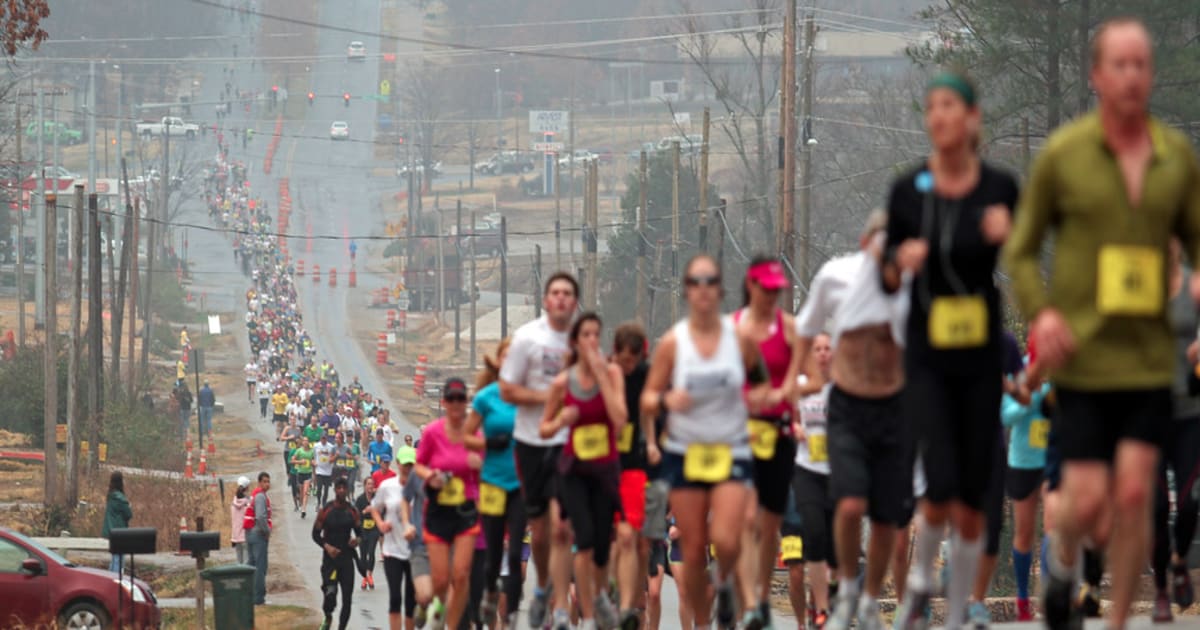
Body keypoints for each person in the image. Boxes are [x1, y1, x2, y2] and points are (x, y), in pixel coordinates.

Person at [1003, 18, 1200, 630]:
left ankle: (1114, 624)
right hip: (1085, 361)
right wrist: (1046, 312)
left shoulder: (1176, 159)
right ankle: (1063, 573)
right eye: (1119, 64)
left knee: (1138, 496)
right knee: (1087, 507)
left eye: (1141, 64)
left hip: (1147, 362)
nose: (1131, 75)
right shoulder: (1066, 156)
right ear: (1095, 76)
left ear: (1152, 75)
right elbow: (1020, 250)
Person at [885, 70, 1018, 630]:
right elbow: (888, 276)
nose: (940, 116)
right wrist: (901, 261)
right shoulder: (907, 190)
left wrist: (1009, 232)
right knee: (937, 482)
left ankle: (963, 606)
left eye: (950, 106)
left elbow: (1025, 247)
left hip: (981, 354)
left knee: (970, 495)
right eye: (932, 107)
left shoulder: (999, 188)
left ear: (972, 118)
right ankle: (919, 582)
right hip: (928, 354)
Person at [794, 210, 911, 630]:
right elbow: (805, 329)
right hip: (847, 405)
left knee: (884, 519)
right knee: (849, 503)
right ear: (866, 244)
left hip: (893, 408)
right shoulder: (835, 276)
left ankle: (867, 597)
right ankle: (845, 590)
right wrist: (791, 381)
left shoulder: (913, 287)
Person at [640, 254, 771, 629]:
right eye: (695, 282)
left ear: (720, 290)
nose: (703, 289)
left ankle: (725, 587)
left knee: (729, 538)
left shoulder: (741, 340)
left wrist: (755, 403)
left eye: (710, 281)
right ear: (686, 291)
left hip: (730, 449)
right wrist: (666, 400)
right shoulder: (673, 344)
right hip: (686, 455)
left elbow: (760, 385)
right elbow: (647, 400)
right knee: (692, 551)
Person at [499, 272, 579, 628]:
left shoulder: (581, 345)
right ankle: (545, 586)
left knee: (563, 526)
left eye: (568, 293)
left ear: (575, 302)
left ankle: (561, 606)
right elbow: (508, 390)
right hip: (531, 443)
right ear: (546, 300)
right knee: (543, 532)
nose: (561, 299)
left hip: (568, 446)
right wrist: (546, 397)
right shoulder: (527, 338)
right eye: (555, 293)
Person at [539, 313, 627, 630]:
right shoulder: (563, 382)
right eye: (585, 335)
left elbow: (620, 419)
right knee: (584, 537)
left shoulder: (613, 373)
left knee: (603, 546)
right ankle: (587, 616)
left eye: (596, 334)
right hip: (573, 469)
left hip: (604, 469)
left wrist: (603, 377)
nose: (591, 341)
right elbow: (545, 428)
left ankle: (601, 594)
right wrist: (562, 421)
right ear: (575, 342)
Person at [732, 256, 804, 630]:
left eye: (778, 290)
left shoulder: (789, 329)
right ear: (751, 287)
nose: (773, 296)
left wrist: (778, 396)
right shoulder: (732, 329)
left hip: (776, 434)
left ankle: (759, 598)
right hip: (739, 435)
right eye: (767, 289)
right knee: (746, 519)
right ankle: (747, 601)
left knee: (769, 524)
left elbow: (796, 382)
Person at [1152, 238, 1200, 622]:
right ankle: (1161, 590)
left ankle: (1180, 558)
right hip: (1147, 412)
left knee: (1189, 502)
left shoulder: (1193, 284)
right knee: (1154, 506)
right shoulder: (1134, 284)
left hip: (1189, 411)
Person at [415, 378, 484, 630]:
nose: (456, 404)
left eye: (461, 398)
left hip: (466, 508)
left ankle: (452, 626)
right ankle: (436, 608)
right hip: (438, 510)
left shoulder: (475, 433)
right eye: (451, 399)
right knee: (442, 579)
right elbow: (419, 464)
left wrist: (480, 465)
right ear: (444, 402)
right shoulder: (433, 431)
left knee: (461, 573)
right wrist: (429, 477)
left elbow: (487, 470)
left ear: (466, 402)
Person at [466, 338, 525, 629]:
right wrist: (487, 443)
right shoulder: (486, 397)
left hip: (520, 485)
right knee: (491, 551)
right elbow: (465, 437)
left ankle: (510, 612)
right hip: (491, 483)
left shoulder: (528, 396)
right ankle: (489, 594)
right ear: (499, 361)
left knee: (515, 552)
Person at [999, 342, 1050, 622]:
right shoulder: (1018, 370)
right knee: (1025, 533)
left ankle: (1051, 595)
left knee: (1053, 526)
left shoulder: (1062, 368)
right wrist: (1028, 395)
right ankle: (1022, 599)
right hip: (1023, 461)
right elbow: (1006, 415)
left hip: (1053, 458)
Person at [791, 333, 835, 627]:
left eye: (826, 348)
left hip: (837, 471)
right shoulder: (799, 386)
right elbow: (787, 416)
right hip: (806, 468)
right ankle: (821, 610)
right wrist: (795, 428)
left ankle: (828, 596)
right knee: (815, 534)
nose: (821, 353)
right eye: (816, 348)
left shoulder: (842, 386)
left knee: (836, 545)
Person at [610, 322, 652, 629]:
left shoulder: (649, 377)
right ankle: (619, 598)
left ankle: (633, 598)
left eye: (633, 359)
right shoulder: (606, 376)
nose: (628, 366)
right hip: (606, 467)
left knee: (640, 542)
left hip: (640, 466)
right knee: (616, 538)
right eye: (622, 358)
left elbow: (656, 417)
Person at [313, 477, 362, 630]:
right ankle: (328, 616)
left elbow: (360, 534)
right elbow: (315, 535)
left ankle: (342, 627)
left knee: (347, 599)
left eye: (344, 488)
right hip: (330, 561)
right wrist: (327, 546)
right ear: (334, 490)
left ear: (347, 490)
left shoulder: (352, 511)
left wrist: (357, 541)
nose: (341, 490)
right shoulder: (325, 510)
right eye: (338, 488)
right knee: (330, 594)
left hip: (347, 560)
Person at [244, 472, 273, 606]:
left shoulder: (255, 495)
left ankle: (248, 594)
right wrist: (267, 531)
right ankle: (259, 598)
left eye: (268, 481)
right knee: (260, 567)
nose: (267, 484)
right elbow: (260, 517)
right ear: (259, 483)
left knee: (251, 565)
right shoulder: (260, 496)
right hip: (258, 534)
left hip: (250, 533)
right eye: (265, 481)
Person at [102, 471, 133, 574]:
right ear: (121, 482)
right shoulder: (121, 499)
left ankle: (110, 578)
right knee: (119, 559)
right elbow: (128, 515)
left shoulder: (110, 496)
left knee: (114, 558)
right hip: (120, 531)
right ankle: (115, 581)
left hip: (110, 531)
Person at [356, 477, 381, 591]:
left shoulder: (377, 499)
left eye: (372, 484)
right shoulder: (360, 500)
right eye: (368, 484)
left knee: (371, 552)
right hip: (362, 530)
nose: (371, 486)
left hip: (374, 529)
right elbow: (355, 517)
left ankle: (369, 575)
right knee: (363, 555)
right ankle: (364, 577)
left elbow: (383, 512)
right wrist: (364, 512)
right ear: (365, 486)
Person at [292, 437, 316, 518]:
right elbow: (292, 461)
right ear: (302, 442)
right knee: (302, 492)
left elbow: (313, 460)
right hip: (300, 473)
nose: (305, 442)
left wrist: (313, 463)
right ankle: (302, 505)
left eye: (307, 441)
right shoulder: (299, 451)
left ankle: (304, 510)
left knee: (306, 492)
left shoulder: (311, 451)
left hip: (308, 473)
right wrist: (300, 462)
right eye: (304, 441)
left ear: (309, 442)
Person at [231, 476, 252, 564]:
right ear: (247, 487)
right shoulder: (248, 502)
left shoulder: (233, 503)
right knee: (247, 562)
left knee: (238, 562)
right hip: (246, 535)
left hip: (235, 536)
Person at [315, 433, 337, 506]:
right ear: (320, 439)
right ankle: (318, 501)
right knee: (319, 487)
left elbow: (333, 457)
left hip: (328, 470)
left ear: (326, 439)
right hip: (319, 470)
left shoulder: (331, 446)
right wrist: (314, 463)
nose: (323, 440)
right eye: (322, 439)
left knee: (326, 489)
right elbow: (313, 456)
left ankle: (324, 502)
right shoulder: (316, 446)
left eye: (325, 439)